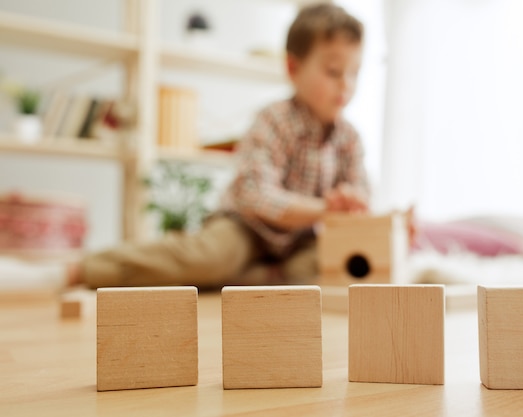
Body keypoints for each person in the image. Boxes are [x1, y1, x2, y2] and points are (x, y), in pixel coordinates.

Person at [67, 3, 370, 289]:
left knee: (326, 267)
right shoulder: (274, 120)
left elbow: (360, 197)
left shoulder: (350, 138)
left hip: (300, 242)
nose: (346, 84)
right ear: (293, 68)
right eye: (333, 72)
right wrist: (325, 208)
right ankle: (84, 268)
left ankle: (247, 278)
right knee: (209, 258)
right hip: (246, 228)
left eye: (354, 73)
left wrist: (357, 206)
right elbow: (257, 197)